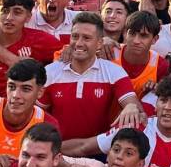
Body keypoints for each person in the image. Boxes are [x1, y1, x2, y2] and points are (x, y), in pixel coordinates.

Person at [39, 12, 144, 142]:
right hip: (57, 150)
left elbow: (133, 105)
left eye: (86, 38)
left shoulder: (114, 72)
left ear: (99, 43)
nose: (78, 43)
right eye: (75, 36)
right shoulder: (50, 72)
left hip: (98, 151)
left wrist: (131, 107)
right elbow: (35, 113)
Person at [112, 11, 169, 99]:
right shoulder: (109, 53)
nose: (136, 41)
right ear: (125, 33)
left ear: (155, 39)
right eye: (132, 33)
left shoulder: (161, 66)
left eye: (143, 36)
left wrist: (155, 91)